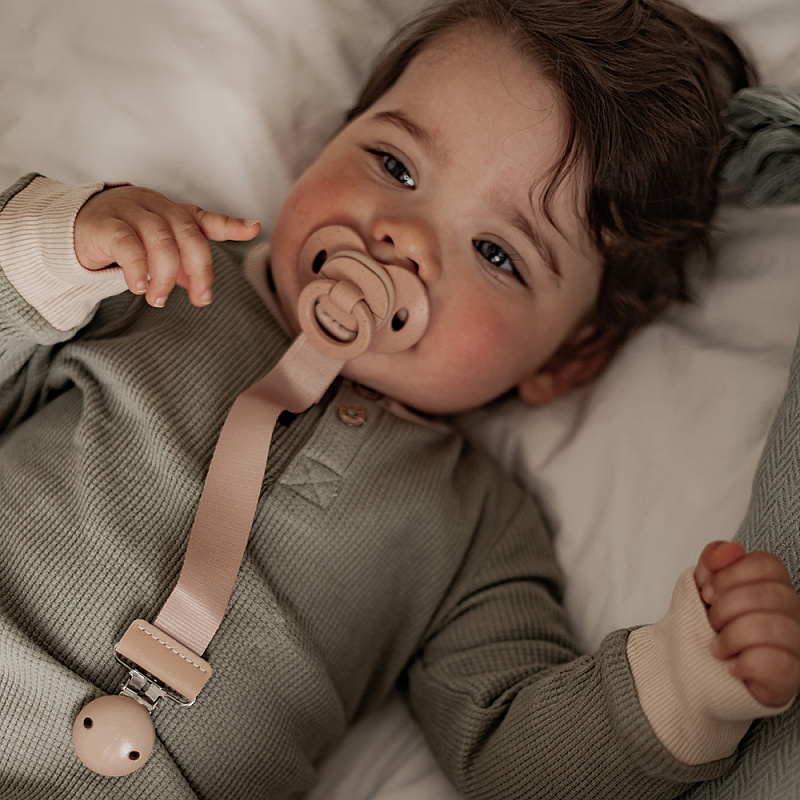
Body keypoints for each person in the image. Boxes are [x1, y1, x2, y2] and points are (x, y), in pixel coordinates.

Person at [0, 1, 798, 798]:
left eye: (497, 253)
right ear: (332, 137)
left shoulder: (472, 526)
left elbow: (513, 762)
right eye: (395, 166)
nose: (405, 236)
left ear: (567, 359)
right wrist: (56, 244)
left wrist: (687, 683)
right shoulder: (162, 281)